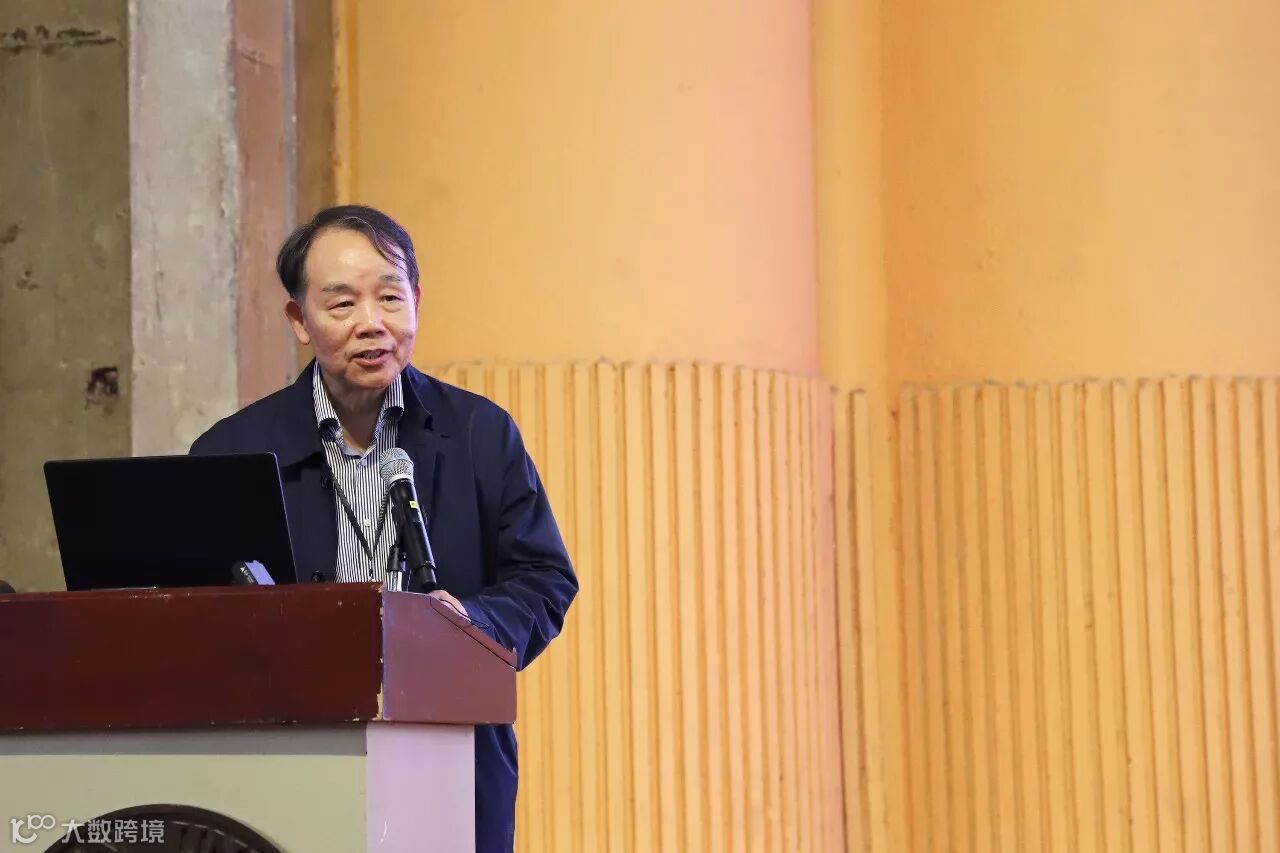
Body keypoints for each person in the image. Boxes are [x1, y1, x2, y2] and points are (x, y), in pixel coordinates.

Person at [190, 204, 578, 852]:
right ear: (300, 320)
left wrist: (471, 623)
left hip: (449, 757)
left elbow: (543, 578)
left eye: (390, 297)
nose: (372, 323)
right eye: (342, 304)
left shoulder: (480, 434)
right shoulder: (232, 450)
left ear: (416, 302)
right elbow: (196, 612)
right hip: (286, 765)